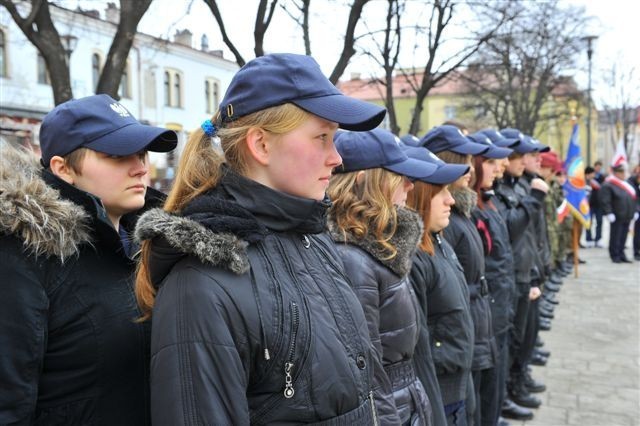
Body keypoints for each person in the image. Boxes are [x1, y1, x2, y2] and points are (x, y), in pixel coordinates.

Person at [133, 53, 392, 425]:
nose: (336, 157)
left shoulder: (314, 240)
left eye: (334, 139)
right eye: (322, 137)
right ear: (261, 145)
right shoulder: (201, 285)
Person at [0, 94, 177, 425]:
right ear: (63, 168)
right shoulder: (24, 253)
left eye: (141, 153)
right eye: (117, 155)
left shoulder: (154, 245)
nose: (141, 167)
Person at [327, 129, 438, 425]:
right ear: (368, 180)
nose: (410, 185)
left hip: (406, 401)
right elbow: (368, 377)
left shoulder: (380, 248)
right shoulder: (353, 257)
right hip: (393, 409)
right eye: (399, 175)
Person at [404, 139, 475, 426]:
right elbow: (418, 351)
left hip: (457, 382)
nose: (451, 200)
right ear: (419, 196)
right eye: (441, 191)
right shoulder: (414, 259)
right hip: (440, 393)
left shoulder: (437, 240)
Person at [494, 129, 548, 414]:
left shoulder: (522, 186)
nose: (506, 162)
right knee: (513, 341)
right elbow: (512, 232)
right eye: (525, 155)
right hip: (512, 276)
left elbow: (535, 238)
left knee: (524, 336)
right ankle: (509, 390)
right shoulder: (505, 191)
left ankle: (516, 382)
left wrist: (539, 271)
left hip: (525, 272)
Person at [599, 164, 637, 263]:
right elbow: (605, 200)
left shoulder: (626, 184)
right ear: (616, 173)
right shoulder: (609, 184)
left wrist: (635, 211)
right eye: (621, 172)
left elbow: (633, 198)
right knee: (616, 236)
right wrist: (609, 212)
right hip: (617, 215)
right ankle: (614, 255)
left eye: (624, 172)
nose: (623, 174)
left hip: (627, 214)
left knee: (624, 236)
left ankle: (621, 253)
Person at [627, 165, 640, 260]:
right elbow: (633, 195)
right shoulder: (632, 180)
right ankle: (637, 252)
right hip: (638, 209)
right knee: (638, 232)